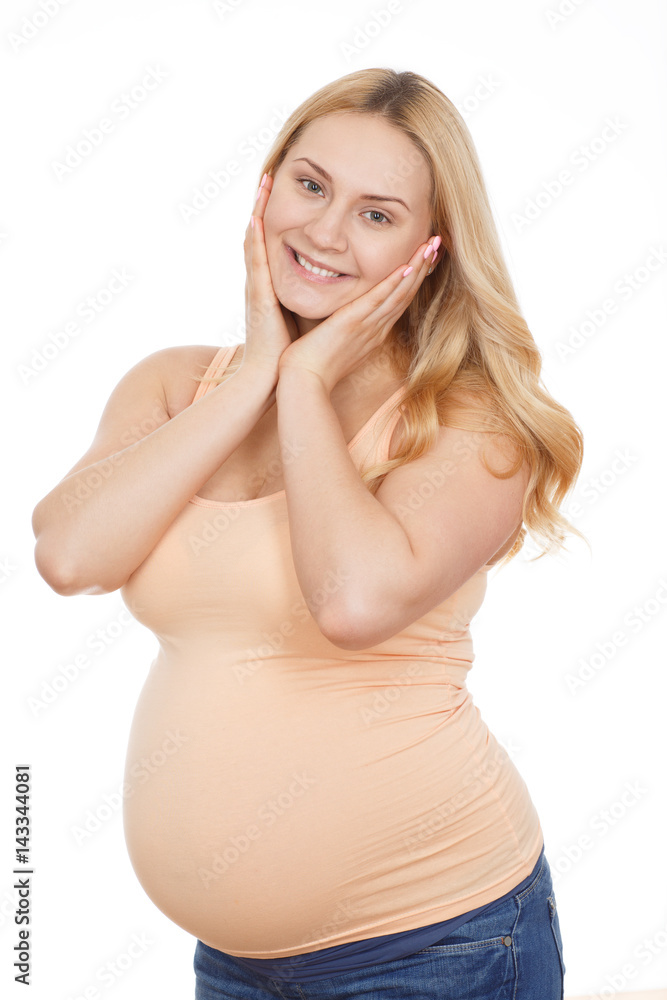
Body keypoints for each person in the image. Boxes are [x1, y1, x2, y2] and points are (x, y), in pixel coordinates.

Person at [32, 67, 583, 999]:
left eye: (376, 214)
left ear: (431, 247)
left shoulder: (470, 425)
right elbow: (70, 555)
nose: (323, 231)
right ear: (266, 184)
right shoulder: (175, 385)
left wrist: (302, 388)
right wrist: (254, 374)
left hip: (437, 945)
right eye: (310, 184)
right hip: (236, 967)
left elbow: (351, 603)